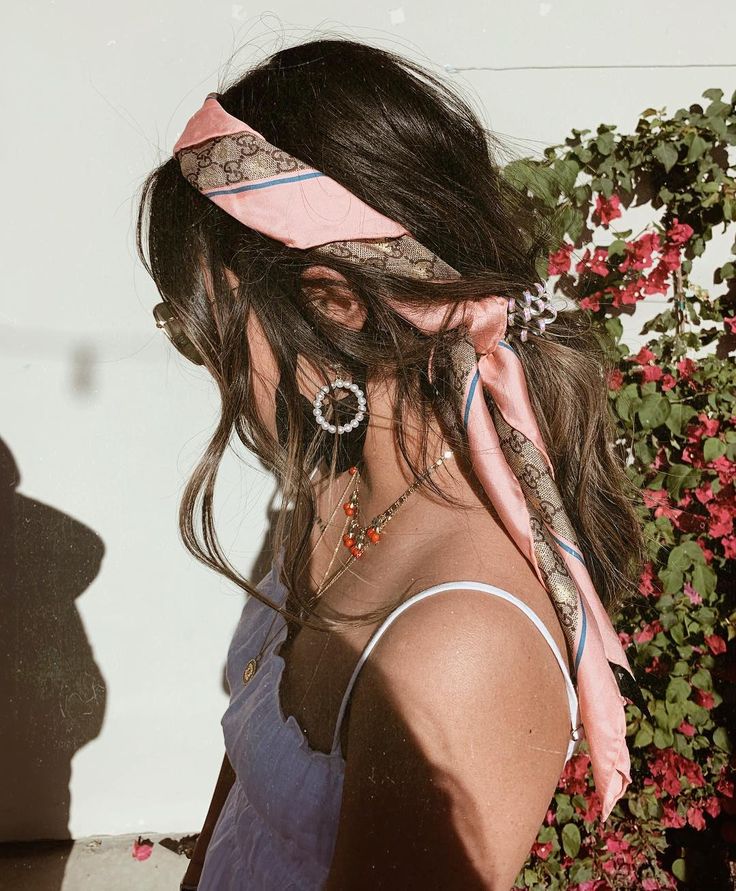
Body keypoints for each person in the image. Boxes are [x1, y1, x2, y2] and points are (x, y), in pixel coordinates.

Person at [137, 37, 645, 890]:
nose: (204, 363)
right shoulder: (337, 486)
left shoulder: (459, 646)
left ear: (333, 300)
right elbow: (243, 798)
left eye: (205, 328)